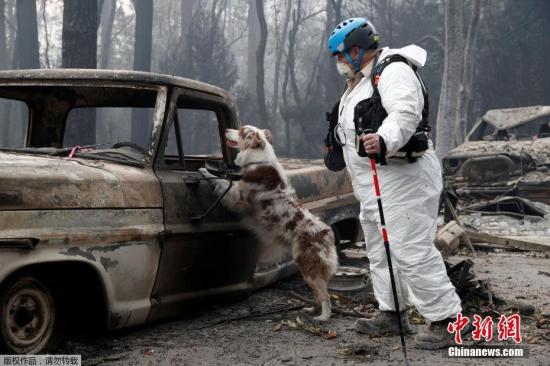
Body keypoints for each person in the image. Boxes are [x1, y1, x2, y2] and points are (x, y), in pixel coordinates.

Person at [327, 17, 462, 350]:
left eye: (341, 55)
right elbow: (351, 123)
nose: (339, 63)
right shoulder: (358, 83)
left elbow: (404, 113)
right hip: (373, 184)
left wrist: (384, 139)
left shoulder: (392, 69)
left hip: (404, 179)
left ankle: (446, 320)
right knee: (379, 248)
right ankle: (392, 311)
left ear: (357, 50)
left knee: (410, 248)